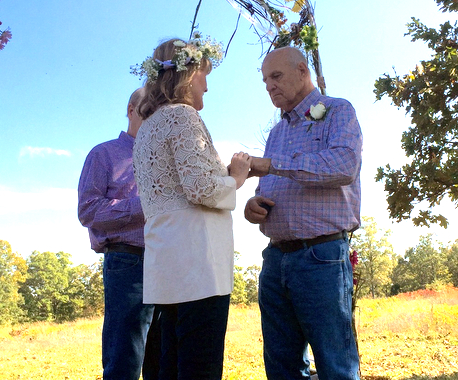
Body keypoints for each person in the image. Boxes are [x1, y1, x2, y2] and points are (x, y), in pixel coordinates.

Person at [132, 34, 251, 380]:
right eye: (204, 75)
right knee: (199, 366)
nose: (207, 87)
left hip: (166, 266)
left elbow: (177, 186)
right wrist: (239, 177)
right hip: (198, 266)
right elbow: (200, 188)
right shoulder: (182, 117)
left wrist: (222, 176)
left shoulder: (147, 128)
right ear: (187, 74)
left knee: (170, 364)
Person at [244, 46, 362, 380]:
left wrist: (270, 165)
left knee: (335, 363)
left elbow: (344, 165)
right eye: (266, 81)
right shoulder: (276, 133)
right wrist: (255, 205)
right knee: (281, 365)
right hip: (275, 259)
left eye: (276, 76)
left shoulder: (337, 111)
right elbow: (269, 186)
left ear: (302, 71)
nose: (270, 86)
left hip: (321, 256)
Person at [77, 87, 160, 380]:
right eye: (149, 110)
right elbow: (88, 211)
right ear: (131, 109)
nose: (155, 119)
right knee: (125, 359)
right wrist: (147, 205)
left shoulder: (165, 159)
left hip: (168, 261)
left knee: (161, 360)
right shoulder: (103, 154)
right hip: (128, 263)